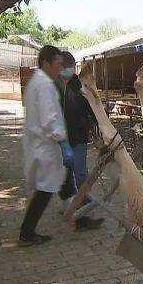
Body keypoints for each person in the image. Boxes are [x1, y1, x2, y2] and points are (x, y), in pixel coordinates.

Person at [18, 45, 76, 247]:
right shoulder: (44, 85)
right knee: (46, 188)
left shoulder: (39, 82)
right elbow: (50, 118)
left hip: (43, 144)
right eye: (58, 64)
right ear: (46, 63)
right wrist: (63, 142)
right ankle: (27, 232)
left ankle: (73, 210)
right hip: (46, 145)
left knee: (50, 185)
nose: (61, 68)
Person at [55, 52, 104, 229]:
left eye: (71, 64)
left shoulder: (80, 85)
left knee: (80, 173)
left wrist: (96, 125)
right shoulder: (55, 85)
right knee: (64, 175)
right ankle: (72, 204)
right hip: (59, 138)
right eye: (66, 64)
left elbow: (92, 108)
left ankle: (81, 204)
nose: (68, 68)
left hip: (78, 137)